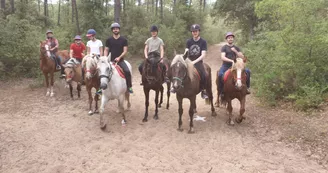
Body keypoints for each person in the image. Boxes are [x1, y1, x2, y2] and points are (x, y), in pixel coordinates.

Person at [171, 24, 208, 99]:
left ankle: (203, 90)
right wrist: (182, 58)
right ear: (192, 32)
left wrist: (194, 62)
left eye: (196, 31)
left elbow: (203, 55)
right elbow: (186, 52)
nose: (194, 33)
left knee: (204, 74)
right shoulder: (189, 41)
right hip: (189, 60)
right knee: (177, 71)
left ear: (199, 32)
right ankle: (174, 86)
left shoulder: (203, 42)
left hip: (198, 61)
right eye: (193, 31)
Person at [218, 32, 251, 99]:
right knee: (220, 74)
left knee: (248, 71)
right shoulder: (224, 47)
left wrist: (235, 51)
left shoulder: (236, 47)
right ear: (226, 39)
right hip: (226, 65)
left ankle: (247, 88)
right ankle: (221, 91)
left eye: (231, 38)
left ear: (233, 39)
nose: (230, 39)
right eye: (229, 38)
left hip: (237, 66)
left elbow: (242, 56)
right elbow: (222, 57)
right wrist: (231, 61)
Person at [104, 22, 133, 94]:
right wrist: (105, 58)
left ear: (119, 30)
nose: (115, 30)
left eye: (117, 29)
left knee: (127, 71)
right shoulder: (109, 40)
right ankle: (100, 88)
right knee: (102, 72)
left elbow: (125, 51)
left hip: (120, 61)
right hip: (110, 61)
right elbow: (106, 50)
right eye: (114, 29)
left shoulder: (124, 40)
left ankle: (129, 87)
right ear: (112, 30)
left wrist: (119, 57)